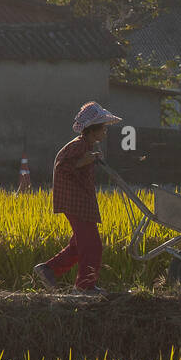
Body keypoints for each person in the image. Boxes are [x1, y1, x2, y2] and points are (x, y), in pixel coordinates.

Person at [33, 101, 122, 294]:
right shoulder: (78, 146)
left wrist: (89, 159)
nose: (105, 132)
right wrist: (85, 160)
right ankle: (84, 287)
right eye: (103, 128)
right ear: (92, 130)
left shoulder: (86, 146)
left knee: (79, 243)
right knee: (92, 245)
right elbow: (62, 168)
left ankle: (48, 270)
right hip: (74, 201)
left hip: (81, 201)